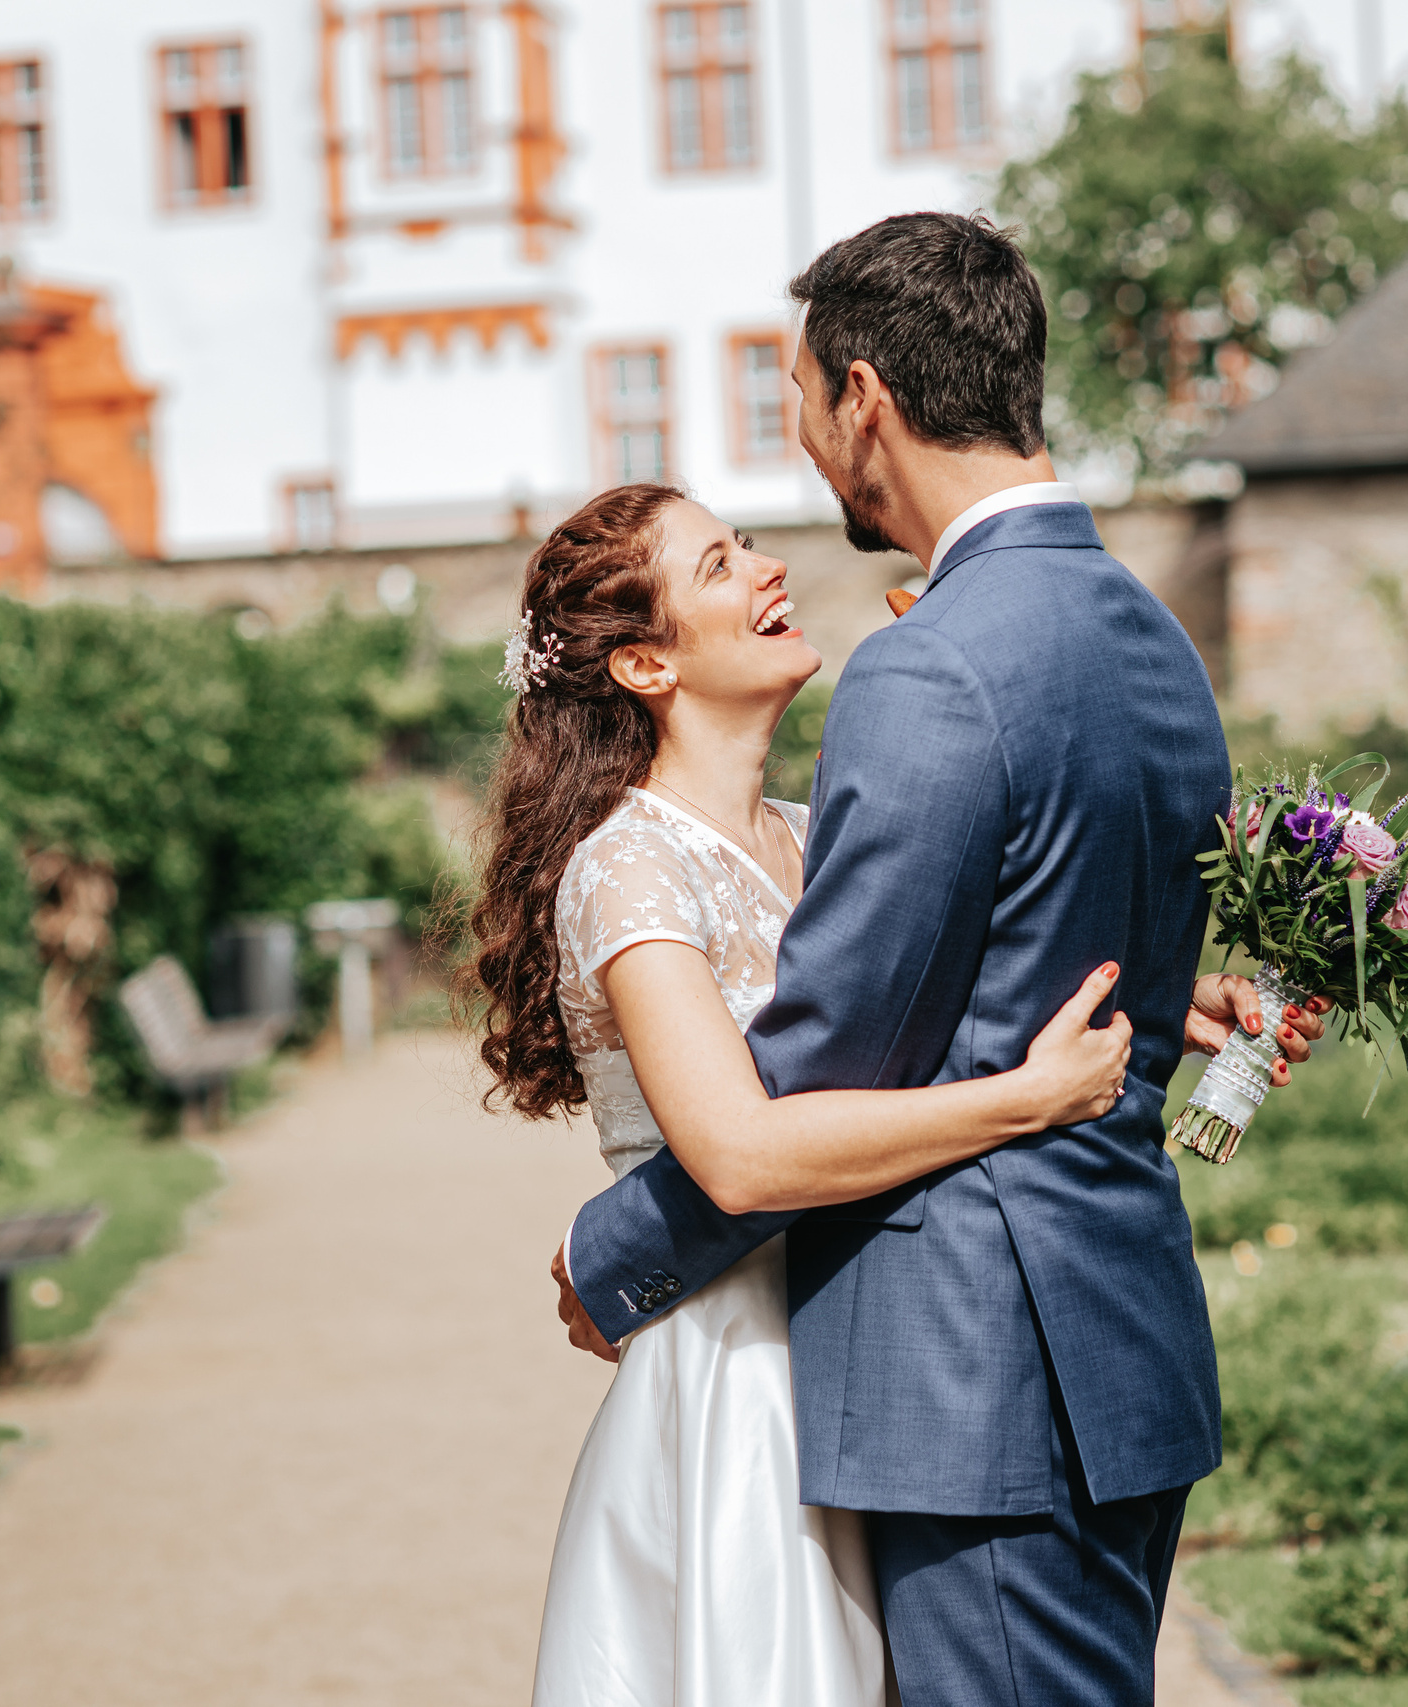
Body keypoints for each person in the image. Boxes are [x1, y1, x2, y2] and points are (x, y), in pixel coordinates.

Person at [540, 211, 1325, 1707]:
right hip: (1120, 1341)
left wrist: (619, 1251)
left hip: (974, 1378)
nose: (799, 453)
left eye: (796, 398)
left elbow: (836, 1049)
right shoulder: (1155, 638)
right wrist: (1179, 1006)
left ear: (863, 399)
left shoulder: (932, 665)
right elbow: (1054, 942)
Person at [466, 480, 1140, 1705]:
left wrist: (1176, 993)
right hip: (745, 1380)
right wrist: (1025, 1101)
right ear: (646, 666)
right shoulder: (628, 866)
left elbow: (963, 1001)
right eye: (719, 566)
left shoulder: (817, 831)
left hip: (887, 1341)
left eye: (747, 546)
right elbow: (738, 1158)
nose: (768, 567)